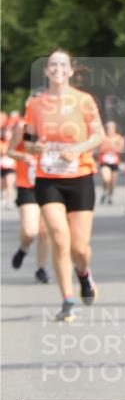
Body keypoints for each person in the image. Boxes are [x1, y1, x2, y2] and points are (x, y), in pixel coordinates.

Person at [24, 49, 103, 322]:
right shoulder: (35, 104)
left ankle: (83, 273)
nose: (57, 68)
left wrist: (77, 149)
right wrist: (36, 147)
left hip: (79, 176)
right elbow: (27, 140)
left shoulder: (84, 100)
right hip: (48, 178)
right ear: (47, 71)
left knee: (79, 248)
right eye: (52, 65)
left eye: (62, 64)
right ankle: (67, 299)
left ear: (70, 71)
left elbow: (98, 135)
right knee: (59, 237)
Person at [8, 114, 50, 282]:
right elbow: (10, 151)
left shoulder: (55, 129)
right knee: (30, 230)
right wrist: (22, 156)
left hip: (49, 184)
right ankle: (23, 248)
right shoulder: (22, 128)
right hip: (27, 185)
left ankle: (41, 269)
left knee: (44, 231)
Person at [98, 121, 125, 204]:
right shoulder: (102, 137)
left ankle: (110, 197)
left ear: (115, 128)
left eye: (112, 127)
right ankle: (104, 192)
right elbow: (99, 149)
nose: (110, 129)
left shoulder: (119, 138)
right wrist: (108, 146)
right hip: (104, 161)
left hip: (114, 162)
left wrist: (111, 145)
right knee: (106, 178)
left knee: (113, 182)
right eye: (108, 127)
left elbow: (120, 149)